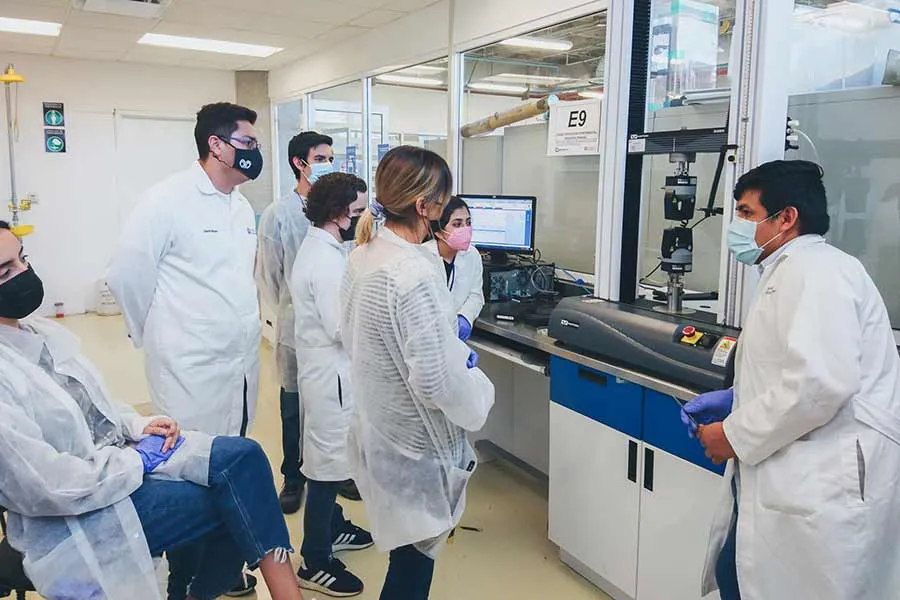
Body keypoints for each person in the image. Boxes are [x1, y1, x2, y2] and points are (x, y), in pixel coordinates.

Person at [0, 222, 304, 600]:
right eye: (5, 271)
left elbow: (94, 406)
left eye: (23, 259)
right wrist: (135, 463)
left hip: (115, 464)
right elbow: (49, 485)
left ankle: (245, 592)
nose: (23, 274)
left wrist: (138, 424)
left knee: (245, 457)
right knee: (236, 501)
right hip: (77, 513)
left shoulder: (39, 334)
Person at [680, 160, 900, 600]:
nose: (737, 225)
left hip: (823, 479)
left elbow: (822, 384)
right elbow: (795, 368)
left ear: (786, 217)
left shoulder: (817, 272)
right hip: (790, 466)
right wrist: (736, 397)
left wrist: (734, 434)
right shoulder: (787, 270)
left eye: (746, 213)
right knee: (736, 572)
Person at [108, 102, 264, 596]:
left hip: (239, 364)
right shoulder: (165, 201)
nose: (255, 152)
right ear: (216, 145)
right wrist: (150, 334)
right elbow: (128, 275)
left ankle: (221, 565)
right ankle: (185, 580)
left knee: (226, 461)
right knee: (187, 471)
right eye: (248, 143)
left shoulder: (239, 206)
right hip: (189, 367)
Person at [341, 146, 495, 600]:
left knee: (406, 558)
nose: (449, 210)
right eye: (444, 201)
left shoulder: (364, 255)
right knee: (410, 571)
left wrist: (445, 350)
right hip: (414, 447)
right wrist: (478, 390)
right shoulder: (413, 271)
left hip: (380, 430)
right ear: (423, 206)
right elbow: (434, 382)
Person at [290, 172, 373, 597]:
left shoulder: (326, 248)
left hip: (332, 375)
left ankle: (333, 527)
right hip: (330, 378)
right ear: (341, 214)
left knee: (335, 458)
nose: (365, 218)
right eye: (360, 211)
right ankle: (315, 559)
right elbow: (341, 326)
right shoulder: (323, 261)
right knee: (325, 469)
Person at [256, 130, 335, 514]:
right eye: (320, 158)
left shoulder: (341, 212)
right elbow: (269, 277)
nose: (327, 165)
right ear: (298, 163)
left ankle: (337, 472)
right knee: (293, 405)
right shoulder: (279, 215)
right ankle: (293, 475)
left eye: (329, 158)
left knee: (334, 402)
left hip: (334, 329)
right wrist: (287, 313)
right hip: (294, 328)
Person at [424, 196, 484, 342]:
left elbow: (476, 295)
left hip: (456, 339)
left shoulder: (472, 255)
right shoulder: (422, 257)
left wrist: (465, 317)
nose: (466, 229)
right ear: (439, 231)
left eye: (468, 223)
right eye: (457, 224)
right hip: (428, 338)